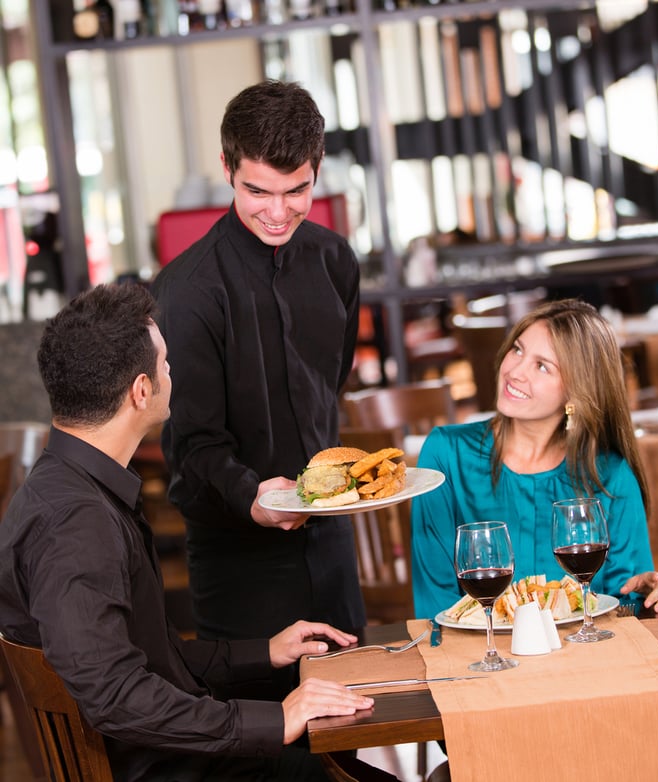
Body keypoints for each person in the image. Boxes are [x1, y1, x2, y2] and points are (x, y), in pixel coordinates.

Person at [0, 283, 397, 782]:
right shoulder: (75, 523)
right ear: (140, 391)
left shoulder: (68, 488)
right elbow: (113, 694)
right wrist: (277, 719)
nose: (173, 372)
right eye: (165, 362)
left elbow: (139, 658)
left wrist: (266, 651)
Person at [150, 80, 365, 698]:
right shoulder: (187, 293)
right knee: (265, 749)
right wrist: (253, 495)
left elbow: (332, 386)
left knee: (344, 730)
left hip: (331, 543)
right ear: (227, 169)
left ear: (317, 170)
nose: (278, 211)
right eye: (257, 191)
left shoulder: (335, 262)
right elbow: (192, 444)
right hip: (238, 561)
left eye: (296, 190)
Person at [411, 298, 658, 621]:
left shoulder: (610, 476)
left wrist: (649, 594)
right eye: (518, 350)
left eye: (542, 366)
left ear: (576, 393)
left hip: (583, 665)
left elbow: (620, 606)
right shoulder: (445, 456)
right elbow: (435, 609)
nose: (514, 371)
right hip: (477, 663)